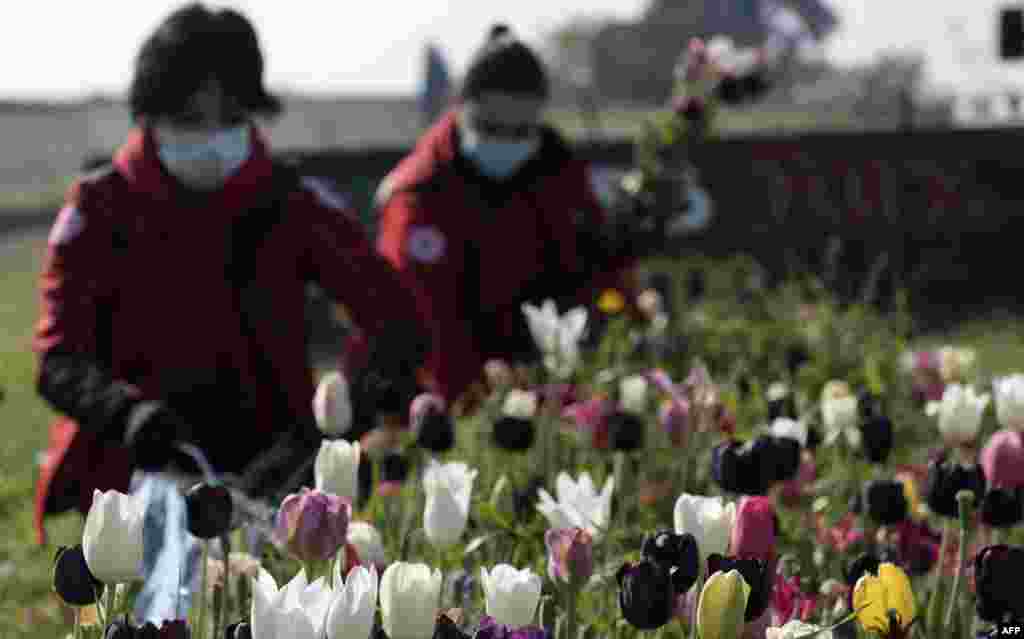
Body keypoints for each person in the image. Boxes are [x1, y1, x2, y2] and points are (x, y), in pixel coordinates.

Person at [33, 3, 428, 546]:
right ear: (148, 117)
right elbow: (58, 360)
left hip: (279, 473)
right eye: (190, 119)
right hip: (141, 474)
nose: (211, 136)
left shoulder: (293, 203)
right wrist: (125, 415)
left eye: (230, 117)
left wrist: (334, 420)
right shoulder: (99, 211)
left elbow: (399, 320)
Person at [373, 24, 663, 405]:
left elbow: (594, 266)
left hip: (540, 377)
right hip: (436, 396)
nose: (506, 140)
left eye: (521, 129)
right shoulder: (419, 194)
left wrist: (634, 314)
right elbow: (420, 320)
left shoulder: (559, 171)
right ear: (462, 110)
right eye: (492, 126)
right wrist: (480, 400)